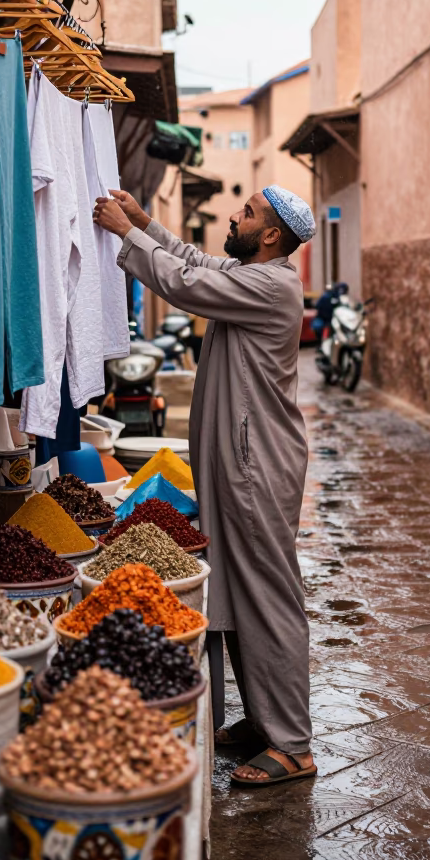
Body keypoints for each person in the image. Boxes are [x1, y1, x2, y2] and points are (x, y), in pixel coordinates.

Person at [93, 184, 317, 787]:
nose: (234, 217)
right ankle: (263, 721)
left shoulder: (271, 285)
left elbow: (187, 284)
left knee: (268, 596)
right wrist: (146, 223)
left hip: (255, 467)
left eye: (246, 214)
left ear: (271, 235)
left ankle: (292, 744)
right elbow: (196, 261)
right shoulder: (253, 271)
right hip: (237, 463)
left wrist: (126, 233)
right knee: (238, 594)